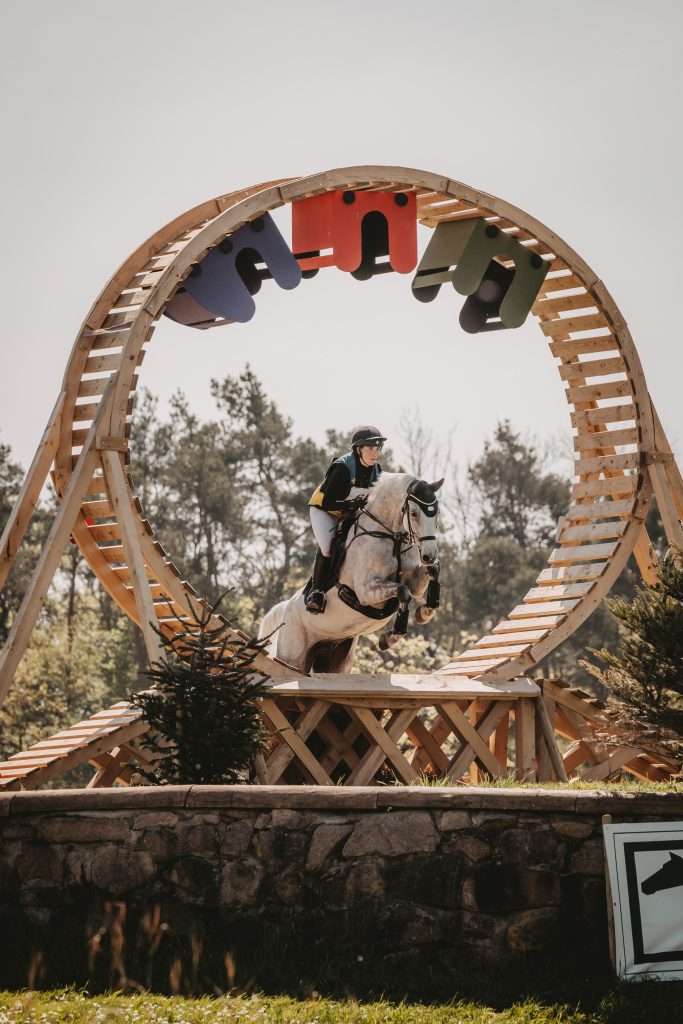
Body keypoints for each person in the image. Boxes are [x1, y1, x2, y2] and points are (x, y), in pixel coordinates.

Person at [305, 426, 386, 613]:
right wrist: (350, 505)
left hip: (348, 512)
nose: (375, 453)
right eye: (370, 448)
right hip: (324, 511)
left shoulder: (377, 470)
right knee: (328, 547)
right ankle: (316, 592)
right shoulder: (342, 467)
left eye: (378, 448)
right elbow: (327, 502)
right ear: (358, 449)